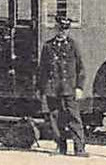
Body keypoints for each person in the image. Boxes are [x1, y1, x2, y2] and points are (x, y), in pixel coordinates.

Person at [37, 13, 87, 156]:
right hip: (52, 89)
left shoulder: (73, 46)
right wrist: (41, 89)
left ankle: (79, 148)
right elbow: (42, 70)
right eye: (60, 29)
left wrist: (79, 87)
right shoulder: (48, 46)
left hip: (69, 88)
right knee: (55, 118)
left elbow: (80, 68)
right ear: (55, 29)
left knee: (74, 118)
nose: (62, 32)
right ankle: (60, 146)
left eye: (65, 29)